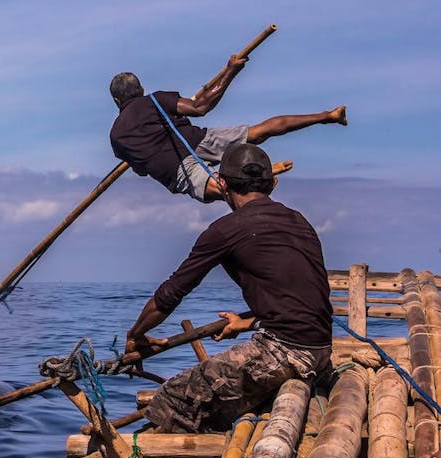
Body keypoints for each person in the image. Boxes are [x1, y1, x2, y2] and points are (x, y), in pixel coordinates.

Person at [125, 144, 332, 433]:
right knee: (213, 393)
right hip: (321, 347)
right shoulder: (300, 222)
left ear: (222, 184)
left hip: (285, 351)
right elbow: (303, 301)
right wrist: (248, 322)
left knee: (171, 398)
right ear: (273, 182)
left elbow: (172, 292)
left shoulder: (225, 230)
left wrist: (136, 334)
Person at [109, 55, 347, 203]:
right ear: (140, 90)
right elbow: (200, 107)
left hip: (174, 168)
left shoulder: (117, 136)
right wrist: (231, 70)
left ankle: (256, 177)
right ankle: (327, 116)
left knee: (221, 191)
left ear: (117, 101)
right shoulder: (154, 100)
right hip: (197, 140)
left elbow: (141, 170)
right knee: (258, 132)